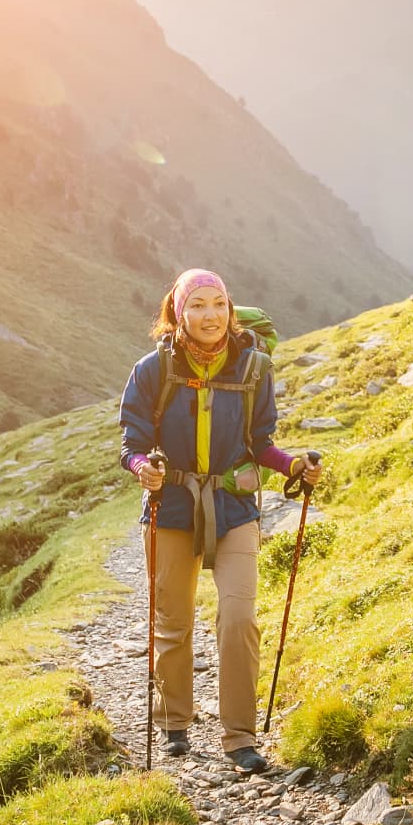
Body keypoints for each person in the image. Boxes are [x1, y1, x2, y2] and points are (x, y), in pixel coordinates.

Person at [118, 268, 325, 773]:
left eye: (218, 304)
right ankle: (173, 720)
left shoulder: (253, 368)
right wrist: (144, 469)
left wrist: (293, 466)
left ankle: (239, 737)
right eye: (197, 305)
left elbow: (262, 442)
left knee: (239, 619)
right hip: (171, 507)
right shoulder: (153, 370)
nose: (209, 316)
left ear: (230, 310)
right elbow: (132, 445)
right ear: (177, 313)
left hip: (234, 509)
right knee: (174, 621)